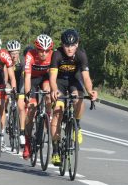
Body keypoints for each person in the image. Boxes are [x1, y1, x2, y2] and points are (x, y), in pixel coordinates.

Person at [49, 29, 98, 166]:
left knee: (79, 98)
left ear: (77, 44)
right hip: (59, 82)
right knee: (58, 111)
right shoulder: (57, 54)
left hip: (74, 81)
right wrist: (54, 91)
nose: (69, 49)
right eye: (66, 45)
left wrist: (91, 91)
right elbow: (52, 78)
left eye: (72, 45)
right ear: (62, 45)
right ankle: (55, 149)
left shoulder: (81, 55)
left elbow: (86, 77)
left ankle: (77, 124)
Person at [22, 34, 54, 159]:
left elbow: (54, 77)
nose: (44, 53)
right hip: (33, 80)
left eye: (47, 51)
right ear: (36, 49)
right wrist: (27, 94)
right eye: (41, 50)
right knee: (31, 109)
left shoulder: (53, 55)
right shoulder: (30, 55)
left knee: (48, 91)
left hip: (45, 79)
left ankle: (48, 115)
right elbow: (27, 77)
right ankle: (27, 143)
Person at [5, 40, 26, 147]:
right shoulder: (5, 61)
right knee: (6, 94)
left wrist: (22, 92)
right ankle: (7, 113)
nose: (14, 55)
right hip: (8, 82)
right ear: (8, 53)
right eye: (12, 53)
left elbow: (24, 77)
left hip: (19, 81)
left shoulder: (22, 61)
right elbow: (5, 78)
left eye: (16, 52)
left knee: (21, 106)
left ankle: (22, 133)